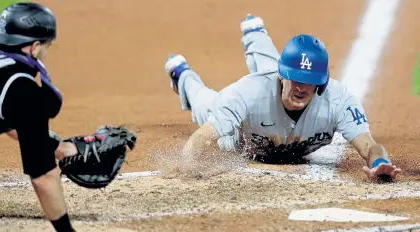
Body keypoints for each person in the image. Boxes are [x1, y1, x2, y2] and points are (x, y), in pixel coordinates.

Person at [163, 14, 401, 183]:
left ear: (321, 82)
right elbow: (202, 138)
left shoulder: (338, 101)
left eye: (309, 81)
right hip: (238, 137)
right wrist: (186, 165)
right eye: (295, 78)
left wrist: (379, 162)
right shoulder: (246, 94)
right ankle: (182, 74)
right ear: (283, 75)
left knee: (273, 74)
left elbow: (370, 146)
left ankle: (255, 34)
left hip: (273, 87)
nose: (301, 88)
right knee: (204, 101)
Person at [0, 3, 77, 231]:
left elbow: (10, 121)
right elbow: (43, 177)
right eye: (48, 45)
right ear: (35, 47)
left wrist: (60, 147)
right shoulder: (23, 89)